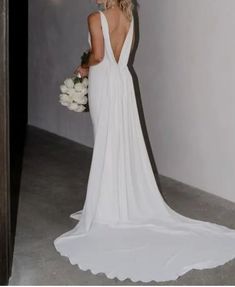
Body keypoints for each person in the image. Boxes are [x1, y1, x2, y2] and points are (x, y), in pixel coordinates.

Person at [54, 0, 235, 283]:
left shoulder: (95, 17)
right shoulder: (129, 17)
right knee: (120, 141)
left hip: (104, 82)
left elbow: (99, 56)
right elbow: (118, 54)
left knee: (106, 141)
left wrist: (81, 68)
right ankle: (119, 201)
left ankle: (108, 208)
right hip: (123, 83)